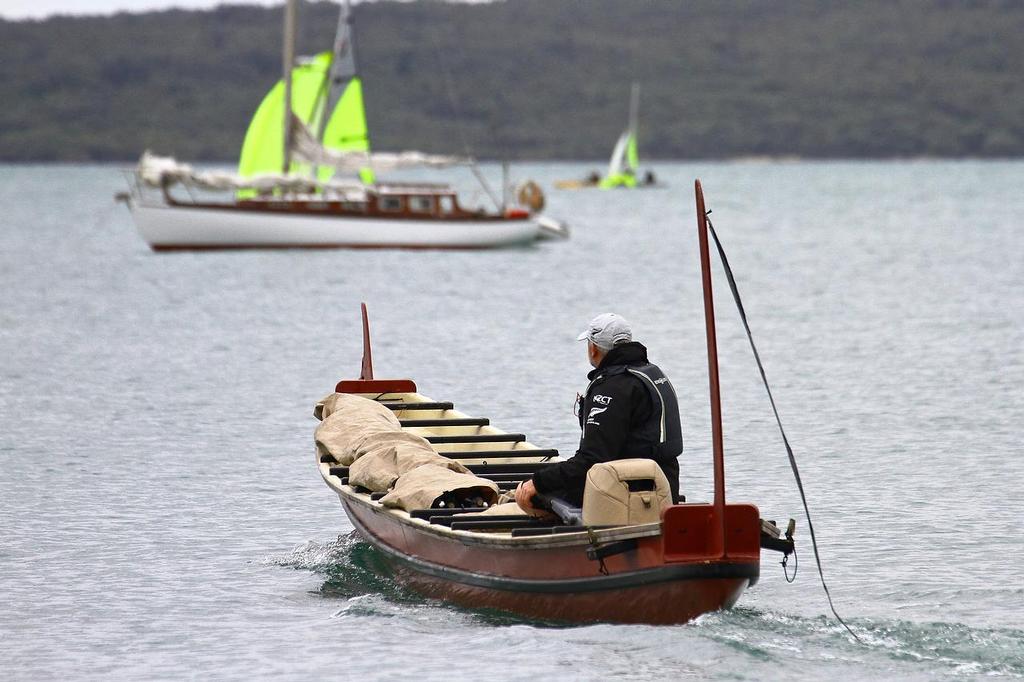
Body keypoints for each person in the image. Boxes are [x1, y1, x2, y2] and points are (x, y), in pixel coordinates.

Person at [515, 313, 683, 516]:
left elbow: (591, 460)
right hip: (665, 489)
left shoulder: (610, 387)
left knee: (529, 492)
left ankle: (573, 538)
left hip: (625, 495)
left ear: (593, 349)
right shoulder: (653, 374)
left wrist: (538, 481)